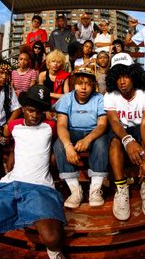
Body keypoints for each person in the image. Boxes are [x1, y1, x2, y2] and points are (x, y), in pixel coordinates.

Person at [0, 84, 66, 259]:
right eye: (31, 110)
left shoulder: (51, 126)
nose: (35, 115)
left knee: (53, 239)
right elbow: (13, 141)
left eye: (39, 111)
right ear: (24, 109)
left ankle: (55, 253)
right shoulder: (14, 126)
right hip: (9, 184)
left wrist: (55, 154)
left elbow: (62, 134)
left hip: (40, 186)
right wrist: (12, 152)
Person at [104, 55, 145, 221]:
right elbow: (114, 121)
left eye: (126, 76)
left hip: (140, 128)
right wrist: (128, 141)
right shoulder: (110, 95)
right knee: (114, 142)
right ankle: (121, 189)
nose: (122, 82)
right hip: (120, 130)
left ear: (134, 75)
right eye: (118, 77)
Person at [53, 66, 109, 208]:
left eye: (88, 84)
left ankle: (95, 189)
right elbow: (61, 125)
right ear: (74, 84)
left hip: (92, 132)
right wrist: (68, 146)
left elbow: (102, 125)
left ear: (93, 85)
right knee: (59, 144)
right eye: (80, 83)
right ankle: (75, 190)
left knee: (102, 142)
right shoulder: (67, 99)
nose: (83, 88)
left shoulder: (99, 98)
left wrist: (87, 139)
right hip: (72, 132)